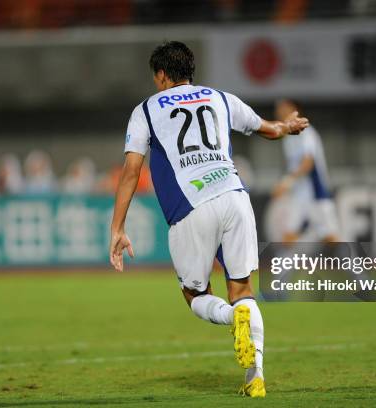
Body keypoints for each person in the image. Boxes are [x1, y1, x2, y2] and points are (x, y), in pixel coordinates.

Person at [109, 41, 308, 398]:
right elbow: (267, 129)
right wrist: (287, 126)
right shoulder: (220, 97)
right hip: (235, 196)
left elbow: (130, 171)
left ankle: (234, 320)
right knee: (243, 291)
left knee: (195, 294)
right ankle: (255, 377)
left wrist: (118, 228)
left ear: (162, 76)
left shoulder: (146, 110)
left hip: (191, 208)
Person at [272, 99, 340, 243]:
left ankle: (355, 264)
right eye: (279, 109)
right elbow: (295, 166)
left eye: (284, 108)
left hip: (316, 192)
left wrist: (286, 182)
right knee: (288, 236)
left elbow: (308, 163)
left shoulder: (306, 132)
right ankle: (283, 266)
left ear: (295, 110)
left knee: (331, 238)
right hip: (300, 195)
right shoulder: (287, 137)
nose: (280, 111)